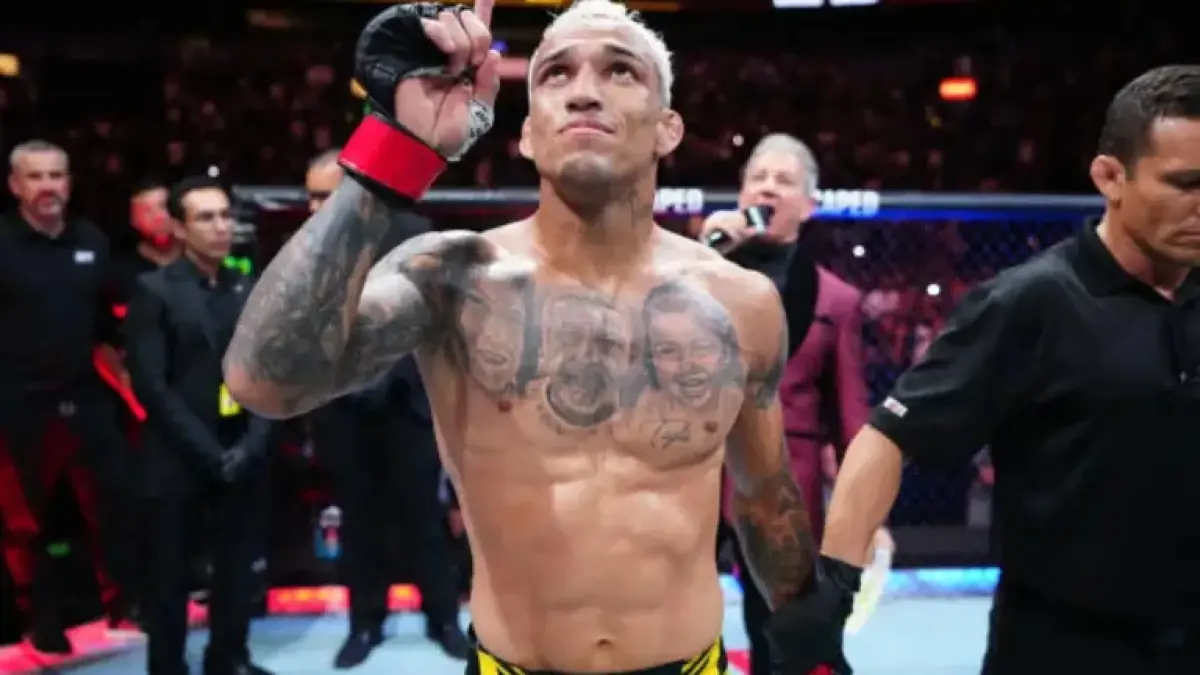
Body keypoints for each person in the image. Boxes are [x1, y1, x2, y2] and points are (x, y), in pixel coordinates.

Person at [223, 1, 829, 674]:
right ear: (529, 133)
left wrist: (810, 634)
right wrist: (391, 152)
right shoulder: (452, 277)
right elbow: (265, 381)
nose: (585, 91)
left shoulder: (741, 301)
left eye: (620, 70)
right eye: (556, 73)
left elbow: (763, 493)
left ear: (668, 128)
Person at [805, 65, 1200, 673]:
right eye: (1184, 183)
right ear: (1109, 177)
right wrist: (832, 592)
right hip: (1061, 647)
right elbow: (889, 436)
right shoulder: (1031, 303)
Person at [700, 134, 877, 675]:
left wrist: (865, 518)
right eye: (758, 178)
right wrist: (705, 254)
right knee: (670, 622)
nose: (768, 188)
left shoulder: (837, 300)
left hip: (785, 486)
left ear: (809, 205)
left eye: (783, 180)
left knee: (787, 637)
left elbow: (851, 420)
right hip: (699, 475)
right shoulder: (699, 273)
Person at [304, 150, 469, 668]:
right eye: (310, 197)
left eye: (325, 195)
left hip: (407, 405)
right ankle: (364, 623)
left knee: (425, 519)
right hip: (341, 410)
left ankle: (444, 618)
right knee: (358, 522)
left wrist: (387, 377)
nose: (315, 207)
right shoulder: (301, 251)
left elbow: (434, 321)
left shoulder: (414, 236)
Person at [125, 176, 275, 675]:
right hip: (179, 456)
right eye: (206, 218)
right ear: (178, 228)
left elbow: (268, 372)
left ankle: (229, 657)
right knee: (168, 577)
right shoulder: (153, 290)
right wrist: (209, 452)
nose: (221, 227)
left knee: (237, 569)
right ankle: (168, 666)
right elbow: (152, 386)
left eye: (226, 215)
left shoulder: (247, 287)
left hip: (241, 449)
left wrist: (253, 442)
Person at [0, 139, 136, 652]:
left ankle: (123, 602)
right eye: (36, 177)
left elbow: (106, 323)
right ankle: (41, 619)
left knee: (114, 500)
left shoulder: (91, 240)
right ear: (15, 185)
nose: (48, 186)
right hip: (18, 402)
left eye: (56, 175)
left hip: (85, 394)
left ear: (69, 183)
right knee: (26, 522)